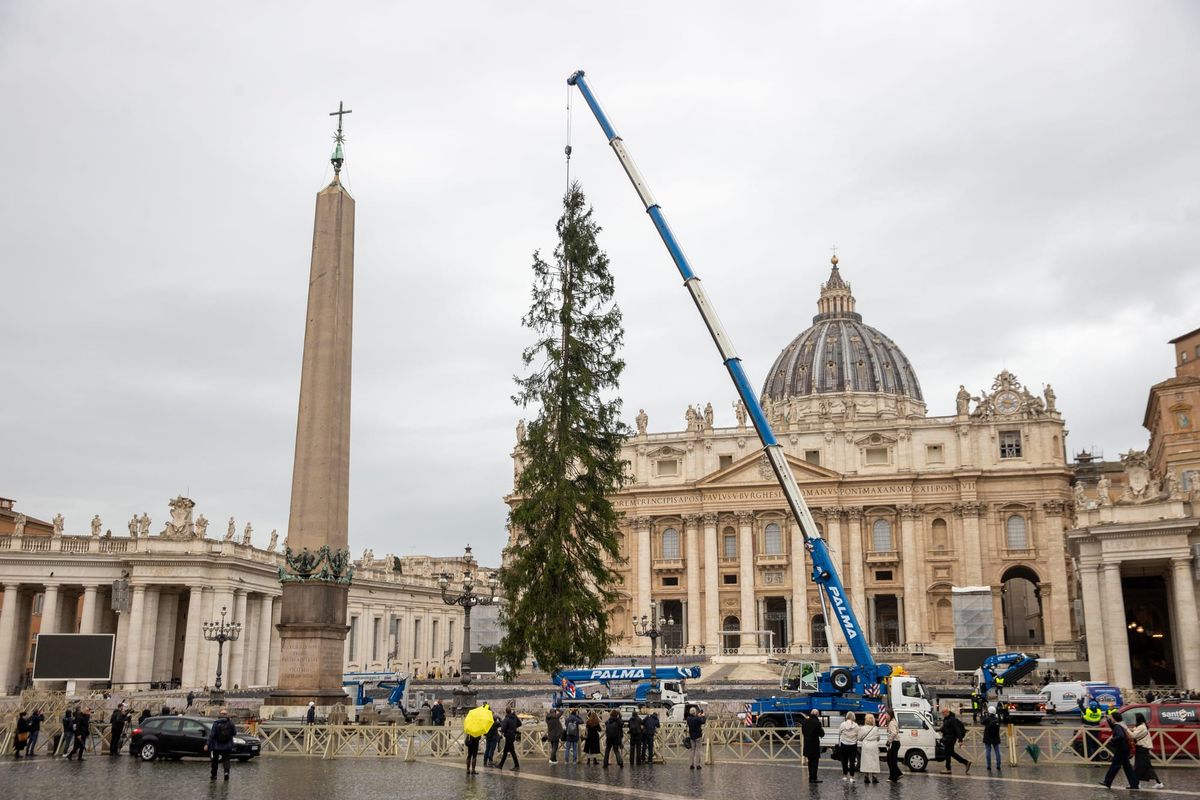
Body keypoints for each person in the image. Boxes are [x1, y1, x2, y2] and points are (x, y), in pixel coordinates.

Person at [1100, 710, 1138, 789]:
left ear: (1114, 719)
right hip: (1124, 749)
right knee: (1127, 767)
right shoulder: (1121, 724)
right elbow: (1113, 726)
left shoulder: (1118, 726)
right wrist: (1108, 719)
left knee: (1115, 766)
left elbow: (1120, 735)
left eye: (1111, 718)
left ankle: (1107, 782)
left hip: (1121, 749)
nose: (1111, 719)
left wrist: (1112, 740)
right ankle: (1134, 784)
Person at [1130, 712, 1163, 789]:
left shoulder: (1141, 727)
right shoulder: (1142, 726)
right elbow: (1134, 730)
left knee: (1139, 766)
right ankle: (1158, 783)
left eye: (1135, 718)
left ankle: (1137, 783)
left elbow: (1133, 735)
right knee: (1146, 766)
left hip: (1142, 748)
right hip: (1142, 748)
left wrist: (1126, 729)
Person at [205, 708, 237, 781]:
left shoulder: (216, 723)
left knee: (215, 761)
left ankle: (214, 775)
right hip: (227, 745)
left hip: (217, 746)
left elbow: (212, 735)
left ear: (220, 715)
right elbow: (234, 733)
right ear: (226, 715)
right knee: (226, 760)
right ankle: (226, 773)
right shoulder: (230, 723)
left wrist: (207, 744)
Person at [939, 708, 971, 774]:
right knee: (951, 753)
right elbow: (946, 728)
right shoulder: (946, 719)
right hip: (947, 738)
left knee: (948, 753)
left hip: (950, 739)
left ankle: (948, 769)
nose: (942, 714)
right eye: (942, 712)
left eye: (943, 712)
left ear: (947, 712)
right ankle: (966, 762)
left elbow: (957, 730)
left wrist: (960, 740)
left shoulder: (952, 719)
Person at [801, 709, 824, 783]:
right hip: (814, 745)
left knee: (810, 761)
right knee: (815, 762)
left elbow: (803, 732)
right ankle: (814, 778)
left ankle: (810, 777)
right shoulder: (817, 723)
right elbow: (822, 734)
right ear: (817, 714)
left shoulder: (804, 721)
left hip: (807, 744)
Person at [858, 713, 881, 784]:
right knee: (874, 761)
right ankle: (874, 777)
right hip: (874, 745)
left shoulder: (862, 728)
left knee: (866, 761)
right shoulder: (875, 728)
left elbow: (859, 738)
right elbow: (878, 738)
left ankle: (866, 777)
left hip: (866, 745)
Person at [837, 711, 860, 781]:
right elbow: (858, 735)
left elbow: (839, 733)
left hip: (844, 744)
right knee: (852, 761)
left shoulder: (843, 724)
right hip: (853, 745)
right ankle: (852, 777)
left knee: (844, 760)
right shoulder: (856, 725)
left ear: (847, 716)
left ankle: (845, 775)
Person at [981, 705, 1002, 772]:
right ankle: (998, 765)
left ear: (989, 712)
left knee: (988, 752)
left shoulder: (987, 719)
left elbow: (982, 722)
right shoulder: (997, 719)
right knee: (997, 752)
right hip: (996, 737)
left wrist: (985, 715)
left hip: (988, 737)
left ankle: (989, 766)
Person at [685, 705, 706, 770]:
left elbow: (693, 719)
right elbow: (703, 721)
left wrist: (697, 716)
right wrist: (703, 716)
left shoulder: (688, 719)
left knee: (692, 750)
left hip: (692, 736)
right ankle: (698, 765)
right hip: (698, 736)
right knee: (698, 750)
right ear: (695, 712)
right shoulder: (697, 718)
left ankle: (691, 764)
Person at [884, 709, 903, 782]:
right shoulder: (894, 721)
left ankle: (893, 776)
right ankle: (896, 775)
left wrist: (889, 741)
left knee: (890, 760)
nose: (885, 716)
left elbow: (894, 733)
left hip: (894, 743)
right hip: (896, 743)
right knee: (892, 760)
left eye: (886, 714)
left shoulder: (891, 723)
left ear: (890, 715)